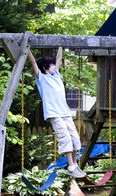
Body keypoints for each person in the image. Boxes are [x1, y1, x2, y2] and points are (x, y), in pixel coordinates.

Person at [27, 47, 86, 178]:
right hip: (54, 114)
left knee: (75, 138)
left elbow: (59, 58)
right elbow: (33, 62)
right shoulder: (41, 78)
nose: (55, 66)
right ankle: (71, 166)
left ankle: (75, 165)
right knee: (65, 138)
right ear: (45, 68)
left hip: (65, 112)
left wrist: (61, 45)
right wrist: (27, 50)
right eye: (52, 65)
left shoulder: (57, 75)